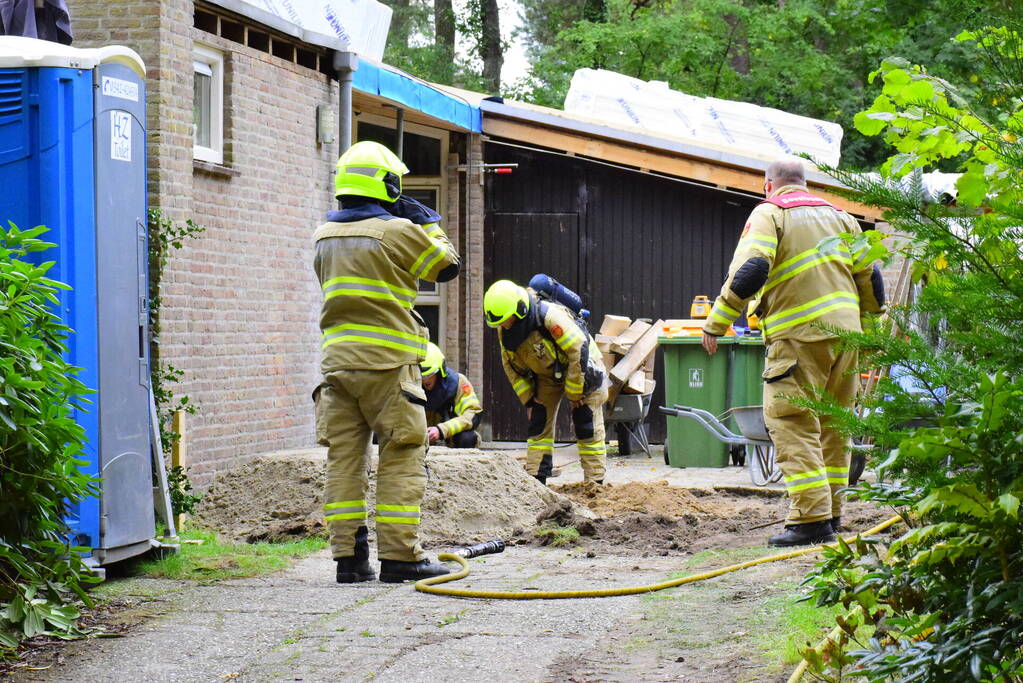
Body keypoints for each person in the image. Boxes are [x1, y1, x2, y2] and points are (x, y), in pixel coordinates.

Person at [701, 158, 885, 547]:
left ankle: (810, 519)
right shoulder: (842, 217)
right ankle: (831, 513)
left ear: (768, 184)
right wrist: (872, 335)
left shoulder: (771, 213)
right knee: (835, 426)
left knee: (792, 421)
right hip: (846, 338)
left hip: (799, 337)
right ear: (804, 182)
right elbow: (872, 280)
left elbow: (752, 269)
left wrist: (716, 323)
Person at [313, 141, 460, 583]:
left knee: (344, 460)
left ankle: (349, 560)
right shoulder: (395, 231)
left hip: (337, 367)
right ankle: (400, 558)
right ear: (389, 185)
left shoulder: (323, 236)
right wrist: (426, 222)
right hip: (389, 366)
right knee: (401, 453)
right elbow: (446, 265)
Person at [483, 279, 608, 485]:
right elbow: (510, 366)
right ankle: (537, 481)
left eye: (507, 320)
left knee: (586, 423)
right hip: (548, 375)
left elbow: (579, 349)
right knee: (538, 421)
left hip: (583, 369)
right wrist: (528, 399)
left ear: (521, 309)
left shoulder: (550, 316)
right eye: (500, 322)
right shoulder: (503, 325)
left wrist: (575, 392)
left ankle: (595, 485)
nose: (504, 325)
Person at [420, 342, 483, 449]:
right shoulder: (407, 386)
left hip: (450, 437)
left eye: (429, 375)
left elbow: (473, 413)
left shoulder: (458, 382)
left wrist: (442, 430)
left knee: (468, 438)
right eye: (421, 376)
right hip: (416, 437)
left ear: (440, 370)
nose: (424, 380)